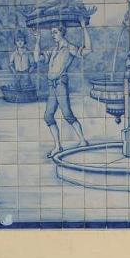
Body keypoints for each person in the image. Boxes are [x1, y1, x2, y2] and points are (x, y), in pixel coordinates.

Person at [33, 21, 92, 157]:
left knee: (67, 114)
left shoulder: (69, 47)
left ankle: (82, 140)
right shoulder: (53, 49)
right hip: (51, 85)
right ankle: (58, 146)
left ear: (62, 32)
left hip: (60, 84)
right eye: (52, 32)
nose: (52, 35)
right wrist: (37, 40)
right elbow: (37, 59)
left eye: (55, 32)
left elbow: (88, 50)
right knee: (48, 116)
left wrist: (84, 27)